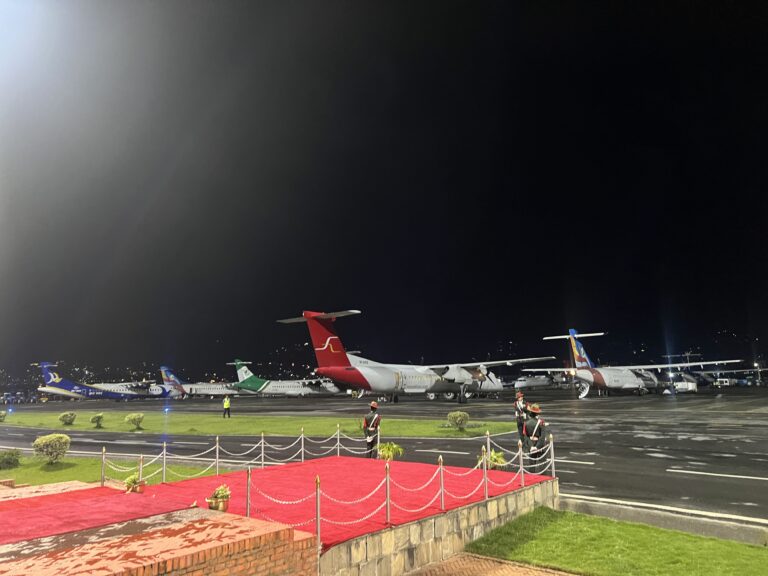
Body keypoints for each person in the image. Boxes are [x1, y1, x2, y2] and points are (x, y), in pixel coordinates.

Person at [523, 403, 550, 474]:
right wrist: (537, 447)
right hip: (540, 446)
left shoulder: (526, 423)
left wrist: (531, 446)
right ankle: (543, 478)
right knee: (542, 463)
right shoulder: (541, 422)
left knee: (532, 464)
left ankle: (531, 478)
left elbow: (526, 437)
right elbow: (542, 437)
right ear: (537, 413)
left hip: (531, 444)